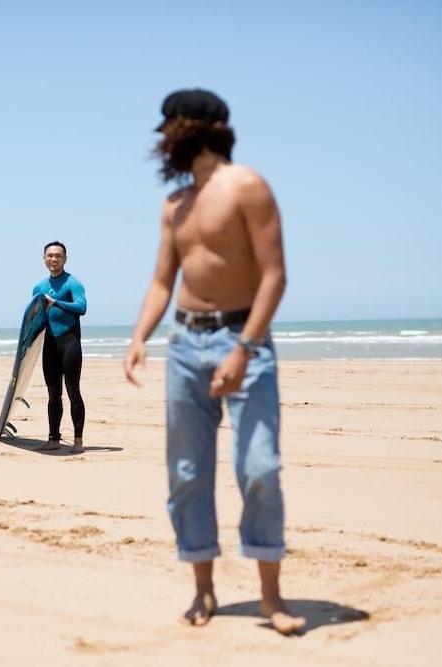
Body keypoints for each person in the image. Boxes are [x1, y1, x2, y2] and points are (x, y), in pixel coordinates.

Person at [123, 89, 305, 635]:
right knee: (186, 475)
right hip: (185, 346)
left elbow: (274, 274)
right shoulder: (175, 204)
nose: (161, 144)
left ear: (195, 129)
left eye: (167, 132)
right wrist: (138, 338)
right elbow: (162, 281)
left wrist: (244, 348)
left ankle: (271, 599)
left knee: (260, 468)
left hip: (242, 341)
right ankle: (204, 590)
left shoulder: (247, 186)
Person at [32, 241, 87, 453]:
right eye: (50, 255)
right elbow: (35, 318)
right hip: (50, 345)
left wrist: (56, 303)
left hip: (69, 343)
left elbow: (82, 307)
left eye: (58, 256)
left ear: (65, 259)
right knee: (53, 394)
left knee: (73, 391)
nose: (53, 259)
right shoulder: (39, 288)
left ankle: (78, 441)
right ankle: (53, 439)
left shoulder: (73, 283)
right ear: (44, 258)